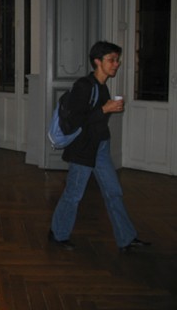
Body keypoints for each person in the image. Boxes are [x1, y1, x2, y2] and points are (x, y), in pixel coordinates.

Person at [48, 41, 151, 252]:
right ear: (97, 61)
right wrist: (104, 110)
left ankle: (126, 238)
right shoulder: (83, 86)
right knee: (74, 194)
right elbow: (75, 121)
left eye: (117, 60)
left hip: (101, 147)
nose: (116, 64)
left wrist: (108, 109)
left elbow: (95, 119)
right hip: (84, 149)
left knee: (114, 192)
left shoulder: (102, 86)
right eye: (111, 60)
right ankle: (58, 234)